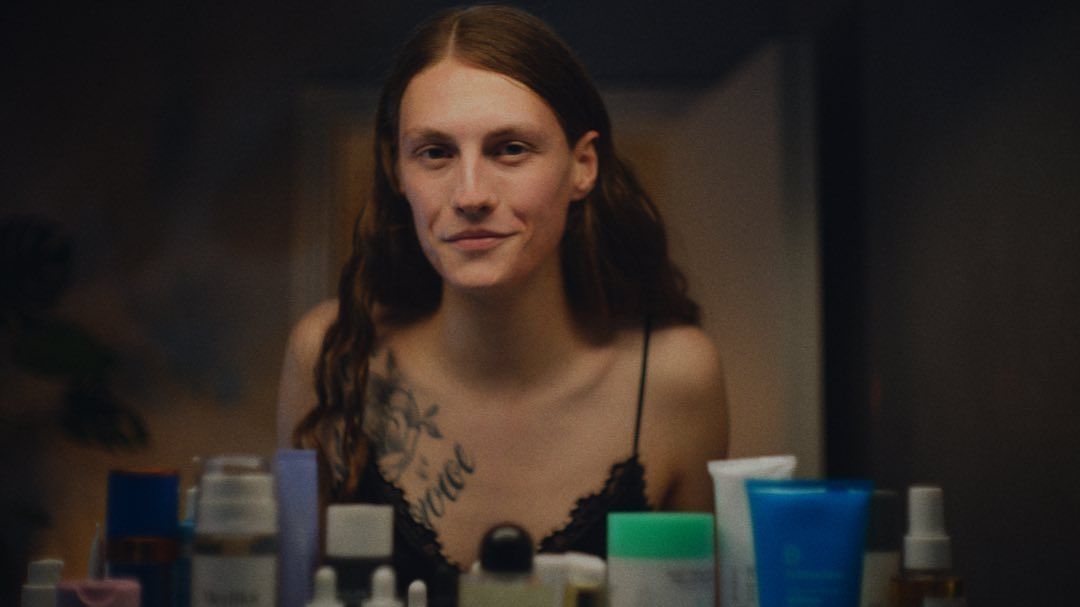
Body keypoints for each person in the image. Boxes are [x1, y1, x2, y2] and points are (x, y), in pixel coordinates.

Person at [276, 3, 728, 599]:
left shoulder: (675, 376)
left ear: (582, 166)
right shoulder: (333, 353)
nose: (470, 194)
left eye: (510, 148)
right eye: (435, 152)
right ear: (397, 171)